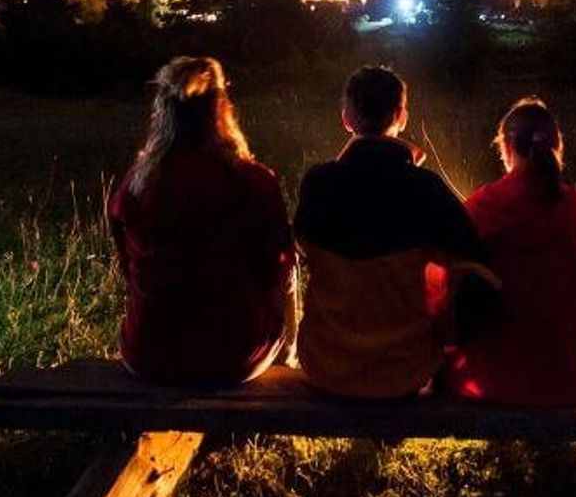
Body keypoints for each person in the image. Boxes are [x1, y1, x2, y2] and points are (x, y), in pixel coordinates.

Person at [293, 64, 494, 398]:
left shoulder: (319, 184)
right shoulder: (425, 189)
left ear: (346, 118)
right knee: (464, 272)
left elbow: (300, 248)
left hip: (325, 365)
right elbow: (480, 268)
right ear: (401, 116)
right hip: (405, 372)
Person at [107, 56, 293, 386]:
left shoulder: (137, 186)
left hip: (149, 356)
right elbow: (275, 268)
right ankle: (289, 354)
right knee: (284, 273)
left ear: (161, 113)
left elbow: (128, 266)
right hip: (233, 357)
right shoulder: (252, 181)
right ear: (222, 109)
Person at [439, 98, 576, 406]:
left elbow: (447, 285)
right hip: (563, 378)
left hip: (489, 379)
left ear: (506, 149)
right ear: (558, 146)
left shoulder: (483, 207)